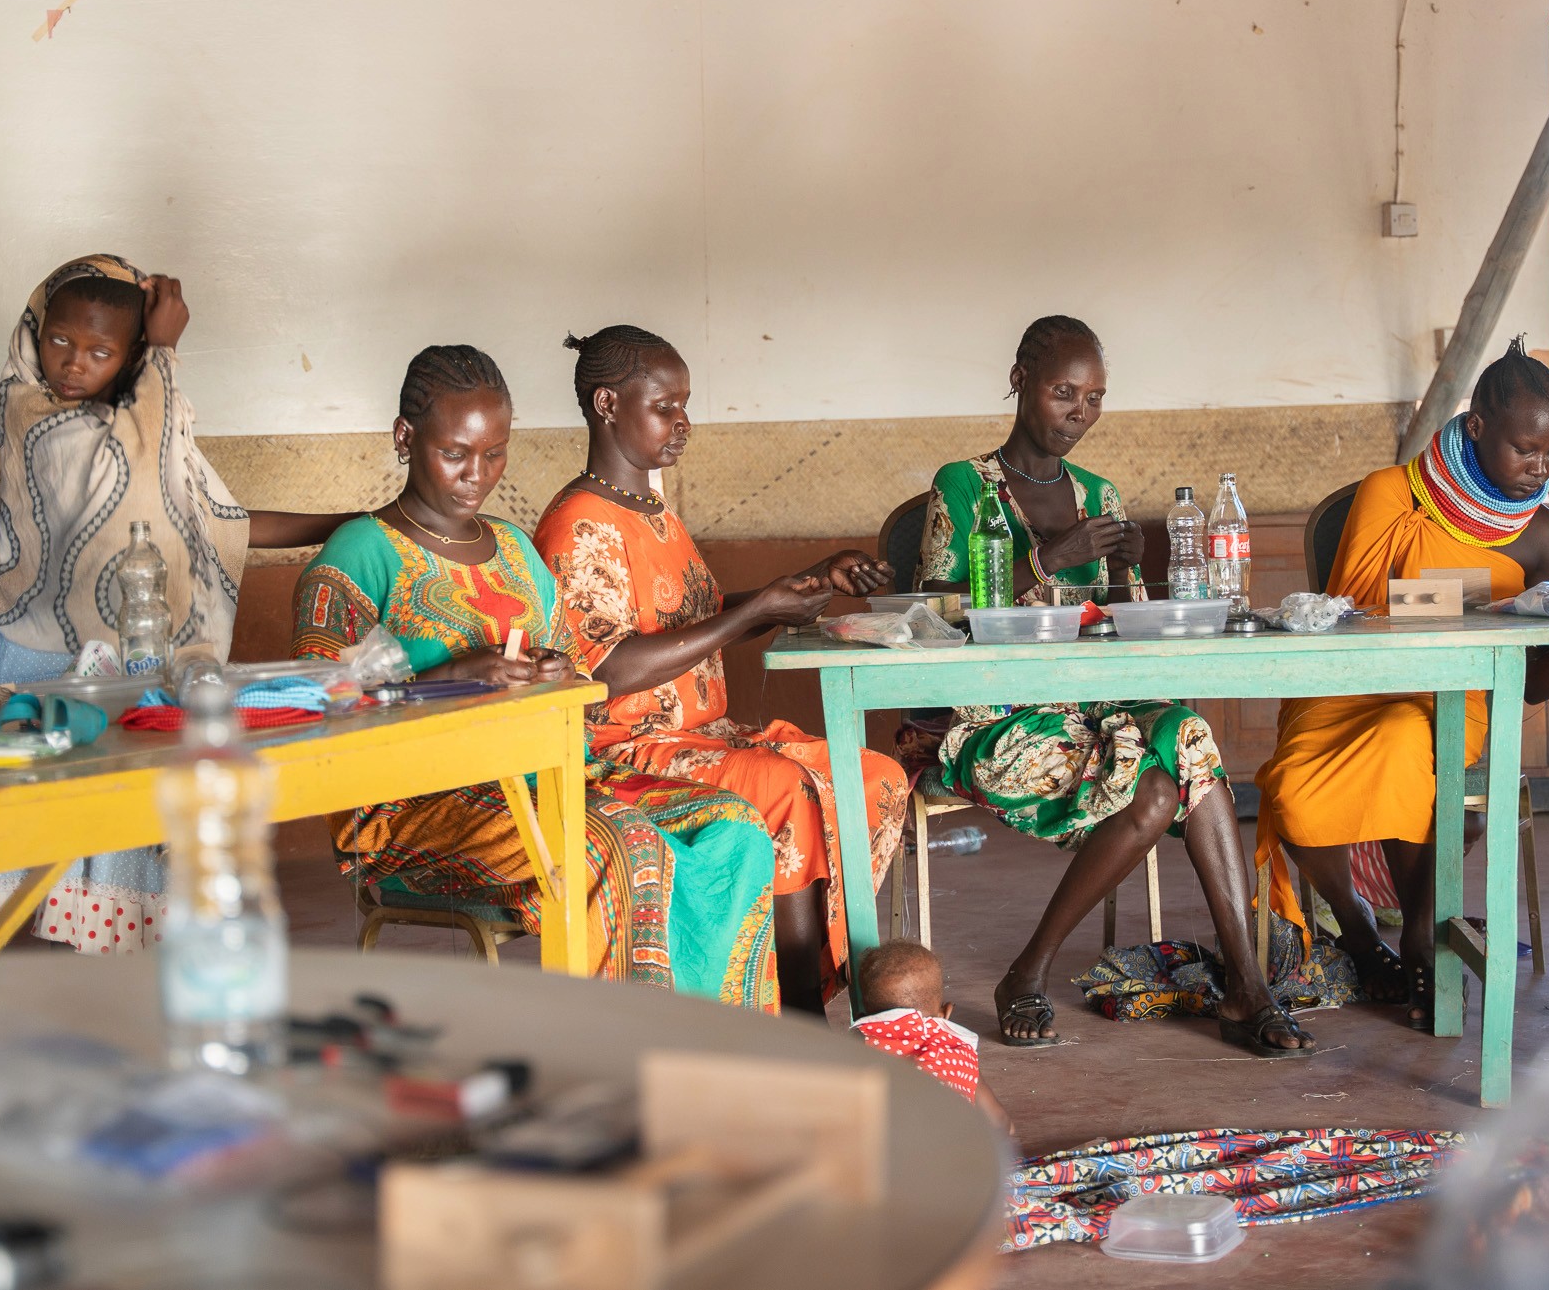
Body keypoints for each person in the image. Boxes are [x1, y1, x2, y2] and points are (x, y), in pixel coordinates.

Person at [294, 344, 780, 1011]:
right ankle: (624, 1067)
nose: (478, 473)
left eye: (495, 453)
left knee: (735, 825)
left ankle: (725, 1049)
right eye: (456, 452)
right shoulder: (361, 552)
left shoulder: (517, 551)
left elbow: (579, 685)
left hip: (552, 780)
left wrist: (557, 674)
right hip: (412, 811)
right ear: (406, 439)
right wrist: (453, 675)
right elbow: (318, 710)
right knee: (621, 844)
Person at [916, 315, 1306, 1057]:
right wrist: (1048, 558)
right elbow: (933, 617)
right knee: (1158, 788)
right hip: (994, 716)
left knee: (1186, 731)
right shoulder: (964, 484)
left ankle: (1245, 985)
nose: (1079, 412)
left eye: (1094, 397)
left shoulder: (1103, 494)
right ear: (1021, 382)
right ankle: (1034, 972)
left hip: (1100, 706)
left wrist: (1132, 569)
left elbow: (1121, 632)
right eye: (1065, 392)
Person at [533, 325, 911, 1015]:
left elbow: (694, 618)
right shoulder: (580, 524)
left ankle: (785, 985)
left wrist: (795, 587)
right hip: (625, 752)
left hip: (705, 741)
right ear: (607, 403)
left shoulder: (653, 515)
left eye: (685, 406)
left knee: (873, 780)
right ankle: (802, 1019)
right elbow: (609, 668)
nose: (683, 424)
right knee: (785, 790)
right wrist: (754, 611)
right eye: (665, 408)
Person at [0, 255, 352, 952]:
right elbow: (127, 473)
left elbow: (211, 519)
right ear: (38, 333)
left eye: (99, 350)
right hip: (44, 662)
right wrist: (167, 352)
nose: (70, 362)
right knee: (31, 849)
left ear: (127, 359)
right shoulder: (30, 414)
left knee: (119, 846)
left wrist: (350, 519)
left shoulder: (148, 428)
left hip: (128, 665)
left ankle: (115, 1000)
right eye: (60, 339)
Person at [1253, 338, 1549, 1031]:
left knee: (1410, 742)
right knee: (1295, 787)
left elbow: (1537, 683)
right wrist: (1475, 608)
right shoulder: (1390, 495)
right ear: (1477, 427)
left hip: (1452, 700)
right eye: (1525, 450)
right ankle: (1364, 931)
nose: (1538, 470)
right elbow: (1355, 619)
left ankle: (1423, 937)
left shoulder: (1542, 533)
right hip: (1347, 686)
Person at [853, 939, 1012, 1132]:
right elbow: (1000, 1123)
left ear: (862, 1017)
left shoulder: (859, 1045)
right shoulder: (956, 1049)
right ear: (945, 1012)